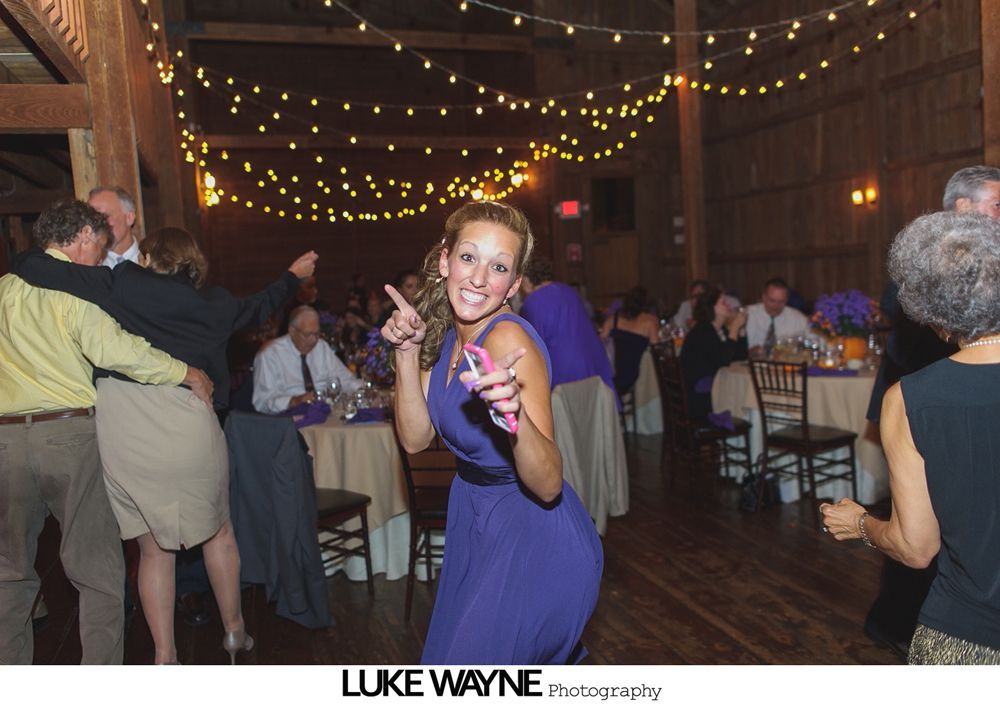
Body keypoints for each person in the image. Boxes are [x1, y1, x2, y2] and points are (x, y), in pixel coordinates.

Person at [13, 224, 317, 664]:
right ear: (192, 264)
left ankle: (164, 655)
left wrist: (23, 257)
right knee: (218, 531)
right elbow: (261, 305)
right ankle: (234, 632)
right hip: (187, 413)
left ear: (148, 258)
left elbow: (46, 272)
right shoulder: (214, 304)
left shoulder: (120, 283)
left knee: (153, 546)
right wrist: (292, 275)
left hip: (123, 420)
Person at [381, 201, 602, 664]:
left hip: (531, 535)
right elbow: (415, 439)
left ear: (513, 285)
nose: (479, 277)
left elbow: (547, 484)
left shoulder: (506, 340)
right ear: (444, 262)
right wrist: (406, 353)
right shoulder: (447, 338)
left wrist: (513, 419)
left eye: (498, 266)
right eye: (468, 258)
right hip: (477, 520)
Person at [0, 200, 213, 665]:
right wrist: (186, 372)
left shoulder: (3, 291)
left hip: (5, 443)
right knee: (96, 571)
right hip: (69, 437)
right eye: (99, 247)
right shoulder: (74, 291)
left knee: (9, 574)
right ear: (80, 237)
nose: (101, 259)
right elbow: (119, 350)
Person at [821, 211, 1000, 664]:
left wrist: (859, 523)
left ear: (930, 310)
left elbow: (915, 548)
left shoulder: (909, 399)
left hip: (969, 637)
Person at [518, 256, 617, 405]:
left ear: (525, 280)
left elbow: (532, 347)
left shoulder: (532, 302)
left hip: (563, 373)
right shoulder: (569, 291)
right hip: (594, 363)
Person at [253, 305, 363, 413]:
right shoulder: (270, 354)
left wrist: (363, 391)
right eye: (307, 334)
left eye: (317, 333)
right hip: (288, 418)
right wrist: (294, 401)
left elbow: (345, 378)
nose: (313, 340)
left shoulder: (321, 347)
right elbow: (262, 401)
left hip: (324, 412)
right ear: (292, 331)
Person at [679, 288, 748, 423]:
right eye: (723, 303)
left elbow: (739, 356)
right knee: (742, 396)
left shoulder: (718, 329)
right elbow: (723, 360)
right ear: (711, 308)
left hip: (710, 391)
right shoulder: (703, 331)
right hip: (701, 401)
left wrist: (741, 330)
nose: (729, 306)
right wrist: (734, 329)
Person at [599, 285, 659, 397]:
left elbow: (601, 344)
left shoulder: (613, 319)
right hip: (636, 377)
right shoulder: (650, 321)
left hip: (612, 375)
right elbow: (655, 349)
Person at [745, 277, 809, 354]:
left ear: (786, 299)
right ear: (763, 297)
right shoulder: (747, 314)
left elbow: (810, 346)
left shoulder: (798, 319)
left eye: (781, 301)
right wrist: (749, 351)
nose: (776, 306)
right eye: (772, 301)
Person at [89, 186, 139, 268]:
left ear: (129, 218)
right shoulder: (86, 267)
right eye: (90, 218)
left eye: (103, 216)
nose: (95, 225)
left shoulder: (153, 262)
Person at [671, 280, 740, 330]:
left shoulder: (717, 311)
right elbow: (675, 327)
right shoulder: (685, 305)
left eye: (699, 296)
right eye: (693, 296)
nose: (696, 299)